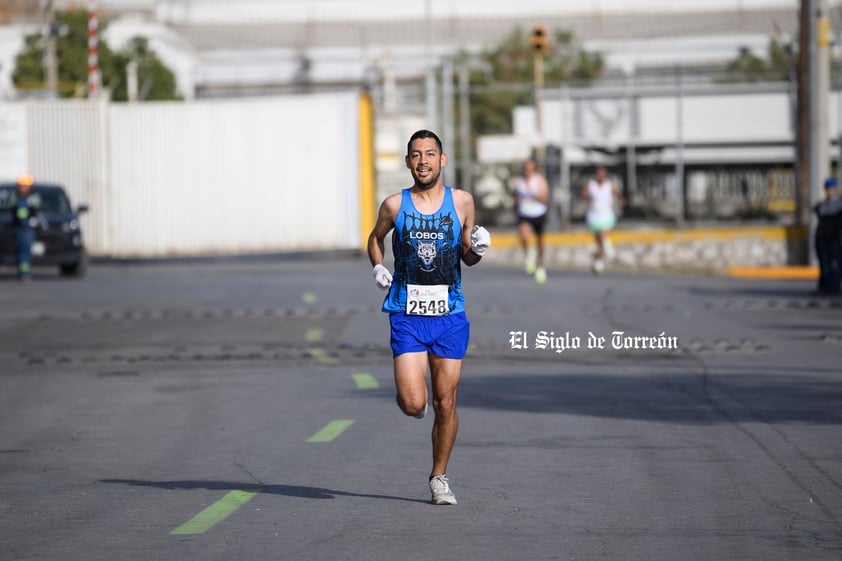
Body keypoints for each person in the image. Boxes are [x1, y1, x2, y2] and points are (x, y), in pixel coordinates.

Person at [367, 129, 490, 506]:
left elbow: (467, 254)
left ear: (443, 159)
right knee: (412, 403)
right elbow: (375, 238)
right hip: (406, 312)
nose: (423, 161)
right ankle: (417, 406)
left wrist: (479, 250)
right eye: (416, 155)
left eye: (430, 154)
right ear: (408, 162)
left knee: (446, 402)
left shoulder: (463, 202)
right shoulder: (393, 205)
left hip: (450, 314)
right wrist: (377, 266)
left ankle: (440, 477)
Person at [580, 165, 625, 275]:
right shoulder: (591, 184)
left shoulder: (609, 184)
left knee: (602, 235)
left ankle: (602, 257)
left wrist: (621, 199)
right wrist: (588, 197)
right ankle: (599, 262)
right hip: (594, 216)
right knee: (599, 242)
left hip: (606, 215)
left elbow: (617, 193)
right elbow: (583, 194)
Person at [514, 158, 550, 283]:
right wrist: (517, 200)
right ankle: (529, 255)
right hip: (524, 213)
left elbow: (545, 198)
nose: (527, 171)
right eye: (526, 169)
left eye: (530, 169)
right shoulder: (519, 181)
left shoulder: (539, 180)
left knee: (540, 242)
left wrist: (533, 194)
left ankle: (540, 266)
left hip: (538, 213)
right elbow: (517, 196)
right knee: (523, 236)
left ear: (534, 169)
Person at [814, 177, 842, 295]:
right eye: (827, 188)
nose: (829, 190)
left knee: (835, 263)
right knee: (824, 263)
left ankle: (834, 287)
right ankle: (824, 286)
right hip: (822, 237)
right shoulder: (823, 203)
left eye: (831, 188)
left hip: (834, 238)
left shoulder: (838, 203)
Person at [12, 174, 38, 281]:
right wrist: (28, 226)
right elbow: (22, 218)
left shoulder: (26, 200)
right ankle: (24, 273)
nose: (28, 188)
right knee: (24, 253)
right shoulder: (21, 202)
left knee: (25, 252)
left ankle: (24, 272)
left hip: (26, 230)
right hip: (24, 231)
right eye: (26, 186)